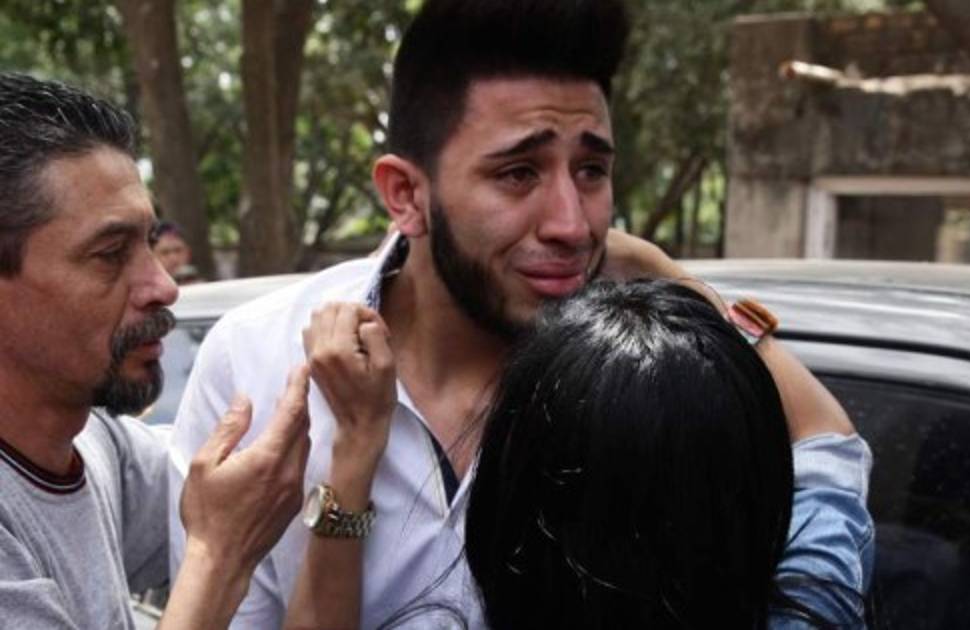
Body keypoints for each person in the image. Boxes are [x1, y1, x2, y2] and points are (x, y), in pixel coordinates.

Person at [168, 0, 631, 626]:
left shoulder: (640, 376)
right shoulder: (257, 363)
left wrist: (675, 281)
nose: (571, 225)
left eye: (592, 171)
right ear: (407, 194)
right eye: (519, 173)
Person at [295, 276, 873, 628]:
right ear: (760, 510)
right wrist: (664, 272)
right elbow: (827, 439)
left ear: (501, 513)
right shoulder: (811, 609)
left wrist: (357, 443)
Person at [0, 72, 311, 629]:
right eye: (109, 254)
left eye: (148, 242)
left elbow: (243, 478)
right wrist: (216, 555)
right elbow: (219, 526)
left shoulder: (96, 447)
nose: (163, 286)